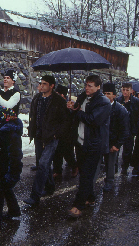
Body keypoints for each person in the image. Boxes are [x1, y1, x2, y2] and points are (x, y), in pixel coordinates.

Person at [67, 75, 111, 217]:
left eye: (90, 85)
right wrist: (72, 109)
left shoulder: (103, 102)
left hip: (93, 144)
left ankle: (78, 205)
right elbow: (75, 116)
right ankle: (90, 198)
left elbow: (93, 120)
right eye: (86, 85)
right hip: (80, 141)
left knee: (86, 175)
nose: (87, 88)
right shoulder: (82, 97)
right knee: (85, 173)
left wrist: (78, 112)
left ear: (98, 87)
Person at [23, 75, 69, 207]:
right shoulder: (37, 98)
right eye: (41, 83)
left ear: (51, 86)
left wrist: (56, 134)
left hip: (51, 137)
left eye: (44, 84)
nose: (41, 86)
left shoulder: (58, 101)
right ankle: (49, 187)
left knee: (43, 164)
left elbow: (65, 121)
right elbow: (33, 115)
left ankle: (35, 196)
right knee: (43, 163)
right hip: (38, 136)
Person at [102, 83, 129, 191]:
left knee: (110, 164)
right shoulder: (99, 106)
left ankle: (109, 182)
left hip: (112, 141)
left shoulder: (120, 110)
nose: (106, 96)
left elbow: (125, 130)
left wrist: (117, 145)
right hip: (100, 140)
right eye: (104, 93)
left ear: (114, 95)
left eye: (108, 93)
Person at [116, 83, 139, 174]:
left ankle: (125, 167)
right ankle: (114, 167)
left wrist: (135, 130)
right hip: (119, 129)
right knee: (116, 149)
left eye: (127, 90)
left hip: (130, 130)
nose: (125, 92)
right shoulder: (118, 100)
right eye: (123, 89)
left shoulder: (137, 102)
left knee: (127, 150)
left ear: (131, 91)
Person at [53, 84, 78, 178]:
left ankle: (74, 166)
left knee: (67, 153)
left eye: (58, 94)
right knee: (56, 153)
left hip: (67, 133)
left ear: (62, 95)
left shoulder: (67, 105)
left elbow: (68, 120)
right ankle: (58, 171)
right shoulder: (54, 104)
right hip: (56, 132)